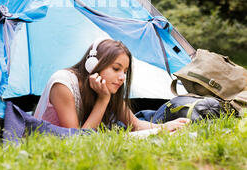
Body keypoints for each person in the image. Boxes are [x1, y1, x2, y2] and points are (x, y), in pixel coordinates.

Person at [34, 38, 189, 133]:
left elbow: (135, 125)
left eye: (125, 71)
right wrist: (103, 100)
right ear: (93, 65)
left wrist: (167, 126)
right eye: (116, 69)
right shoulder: (63, 84)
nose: (122, 77)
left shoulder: (107, 86)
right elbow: (76, 139)